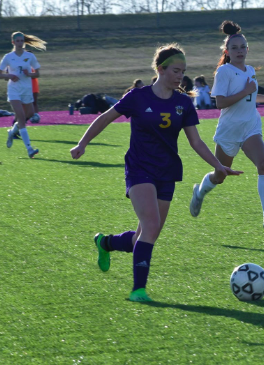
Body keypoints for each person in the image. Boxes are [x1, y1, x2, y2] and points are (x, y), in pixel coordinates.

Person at [70, 44, 242, 302]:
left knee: (145, 235)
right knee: (150, 227)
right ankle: (138, 290)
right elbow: (105, 118)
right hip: (139, 168)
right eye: (175, 70)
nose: (179, 76)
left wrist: (217, 165)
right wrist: (82, 143)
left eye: (183, 72)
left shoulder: (184, 103)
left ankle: (105, 243)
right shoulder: (137, 97)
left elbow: (196, 142)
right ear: (160, 69)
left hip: (167, 172)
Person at [189, 20, 264, 230]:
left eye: (243, 47)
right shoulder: (224, 72)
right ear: (227, 51)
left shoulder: (250, 70)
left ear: (247, 49)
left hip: (250, 127)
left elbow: (251, 97)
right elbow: (221, 102)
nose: (239, 50)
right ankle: (200, 192)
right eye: (235, 47)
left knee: (263, 165)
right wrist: (245, 91)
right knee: (220, 175)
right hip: (229, 131)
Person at [0, 31, 46, 158]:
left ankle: (12, 131)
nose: (20, 43)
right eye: (17, 41)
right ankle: (29, 149)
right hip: (14, 90)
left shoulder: (29, 56)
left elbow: (38, 74)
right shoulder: (8, 57)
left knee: (29, 114)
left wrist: (29, 74)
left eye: (21, 41)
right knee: (21, 117)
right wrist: (9, 75)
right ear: (13, 42)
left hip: (26, 90)